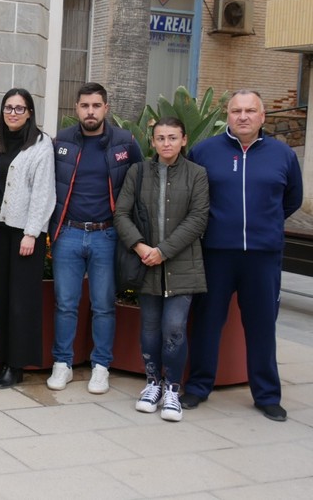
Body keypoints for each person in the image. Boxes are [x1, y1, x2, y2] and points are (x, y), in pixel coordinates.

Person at [183, 90, 303, 422]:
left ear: (263, 116)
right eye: (237, 110)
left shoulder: (282, 155)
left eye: (251, 110)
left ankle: (266, 395)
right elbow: (192, 196)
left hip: (263, 257)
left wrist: (268, 225)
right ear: (228, 115)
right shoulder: (205, 152)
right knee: (208, 323)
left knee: (262, 326)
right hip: (216, 253)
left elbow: (292, 198)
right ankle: (197, 386)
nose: (243, 116)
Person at [48, 82, 142, 394]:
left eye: (96, 105)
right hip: (69, 233)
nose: (91, 111)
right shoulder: (61, 141)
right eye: (85, 105)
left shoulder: (125, 142)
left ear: (106, 108)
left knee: (104, 305)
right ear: (76, 109)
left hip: (106, 234)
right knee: (65, 304)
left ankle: (100, 365)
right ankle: (62, 363)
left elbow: (140, 184)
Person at [114, 117, 209, 422]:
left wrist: (164, 251)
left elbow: (198, 219)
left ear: (184, 140)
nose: (166, 143)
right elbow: (121, 214)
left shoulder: (197, 174)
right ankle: (152, 383)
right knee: (150, 328)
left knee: (175, 328)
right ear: (152, 142)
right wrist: (141, 247)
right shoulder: (137, 172)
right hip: (146, 265)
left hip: (182, 265)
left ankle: (172, 388)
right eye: (160, 138)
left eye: (172, 137)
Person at [0, 89, 55, 389]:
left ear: (29, 113)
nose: (13, 113)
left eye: (19, 108)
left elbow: (43, 191)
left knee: (21, 301)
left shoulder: (41, 145)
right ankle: (0, 359)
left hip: (25, 233)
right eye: (8, 108)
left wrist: (32, 232)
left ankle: (17, 365)